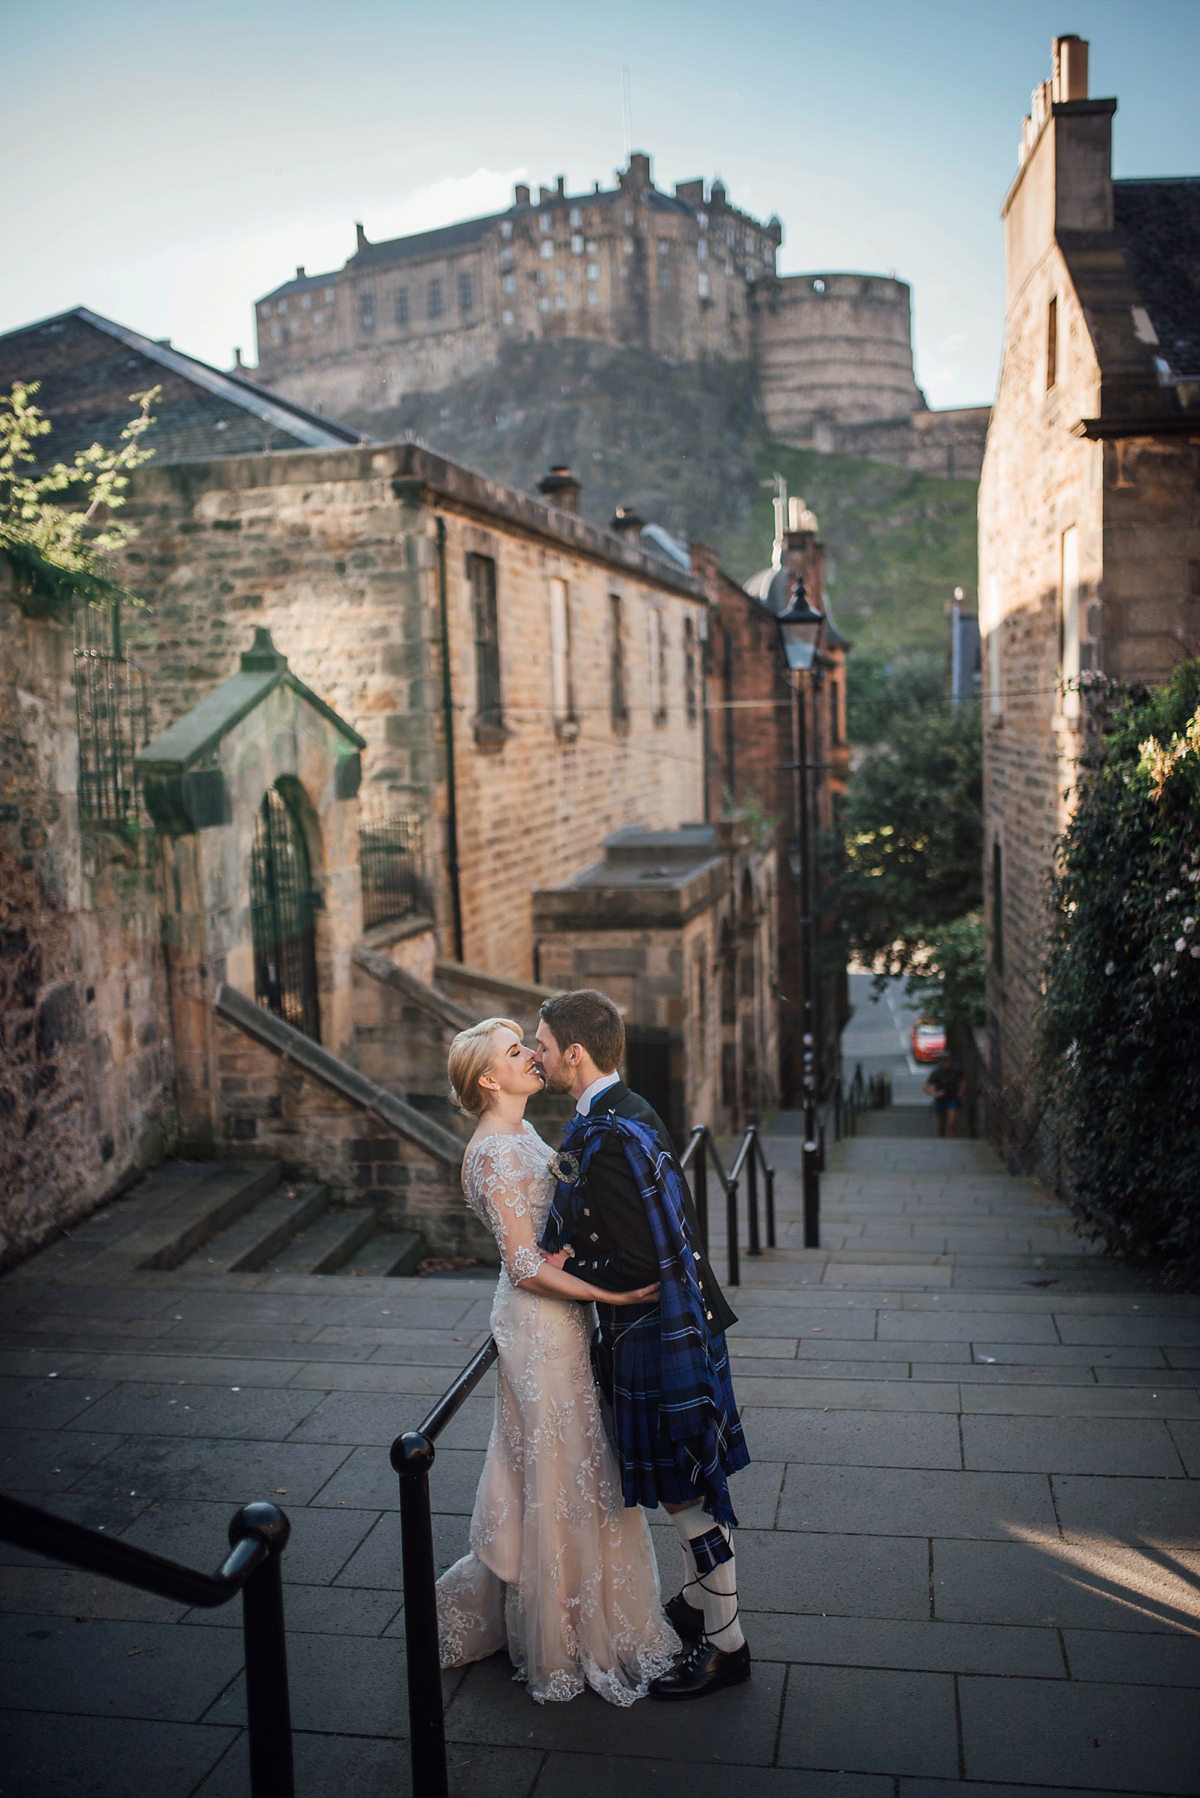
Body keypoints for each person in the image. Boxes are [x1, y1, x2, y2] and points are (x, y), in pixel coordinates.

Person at [435, 1016, 679, 1706]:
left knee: (572, 1465)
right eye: (518, 1052)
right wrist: (615, 1290)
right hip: (538, 1325)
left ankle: (585, 1609)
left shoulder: (525, 1133)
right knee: (557, 1470)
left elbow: (547, 1231)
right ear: (489, 1077)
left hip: (564, 1316)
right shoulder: (489, 1151)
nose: (532, 1058)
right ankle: (562, 1639)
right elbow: (522, 1266)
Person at [534, 988, 752, 1701]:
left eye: (542, 1046)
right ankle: (697, 1606)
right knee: (686, 1485)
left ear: (575, 1052)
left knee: (685, 1496)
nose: (537, 1057)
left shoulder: (610, 1136)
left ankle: (727, 1647)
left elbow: (637, 1262)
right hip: (681, 1324)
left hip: (657, 1333)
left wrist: (568, 1269)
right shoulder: (632, 1110)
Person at [924, 1050, 965, 1138]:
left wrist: (961, 1091)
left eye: (948, 1061)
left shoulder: (955, 1071)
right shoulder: (936, 1073)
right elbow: (927, 1086)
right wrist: (934, 1093)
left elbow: (963, 1079)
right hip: (941, 1099)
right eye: (944, 1062)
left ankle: (952, 1140)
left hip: (952, 1098)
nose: (946, 1064)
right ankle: (942, 1141)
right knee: (941, 1124)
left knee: (951, 1123)